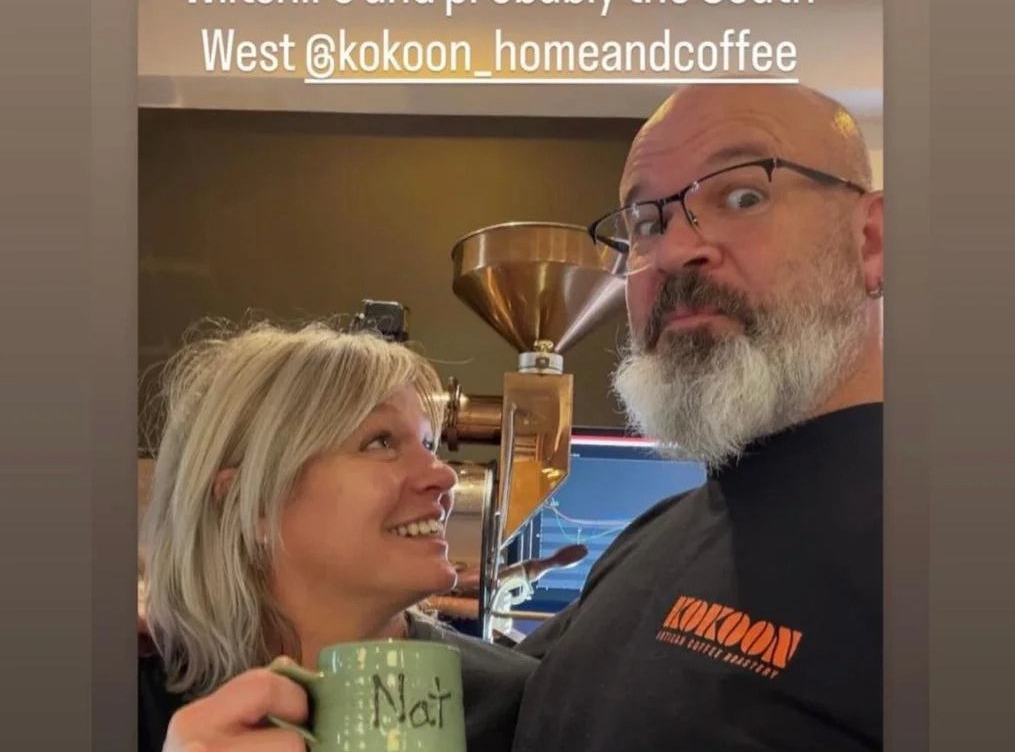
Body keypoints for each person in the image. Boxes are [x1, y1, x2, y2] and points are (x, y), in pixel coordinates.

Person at [509, 84, 884, 751]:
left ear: (873, 240)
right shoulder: (654, 532)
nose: (675, 251)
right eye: (646, 222)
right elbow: (515, 700)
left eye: (743, 196)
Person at [139, 321, 534, 752]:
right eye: (380, 442)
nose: (443, 475)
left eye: (428, 444)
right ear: (251, 505)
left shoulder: (518, 707)